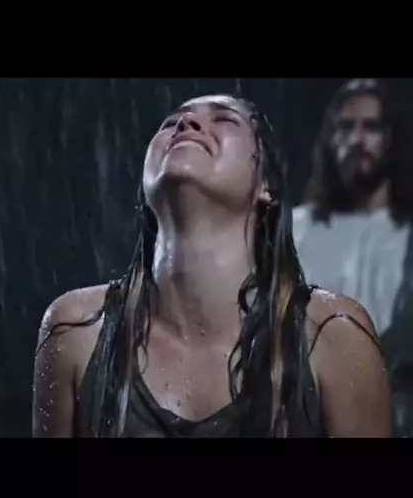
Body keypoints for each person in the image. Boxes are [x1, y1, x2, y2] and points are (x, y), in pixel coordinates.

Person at [33, 94, 392, 438]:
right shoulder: (78, 330)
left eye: (224, 119)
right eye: (171, 123)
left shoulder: (332, 336)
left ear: (266, 185)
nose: (186, 124)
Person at [293, 79, 413, 437]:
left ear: (392, 138)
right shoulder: (295, 229)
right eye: (346, 127)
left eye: (371, 127)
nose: (357, 139)